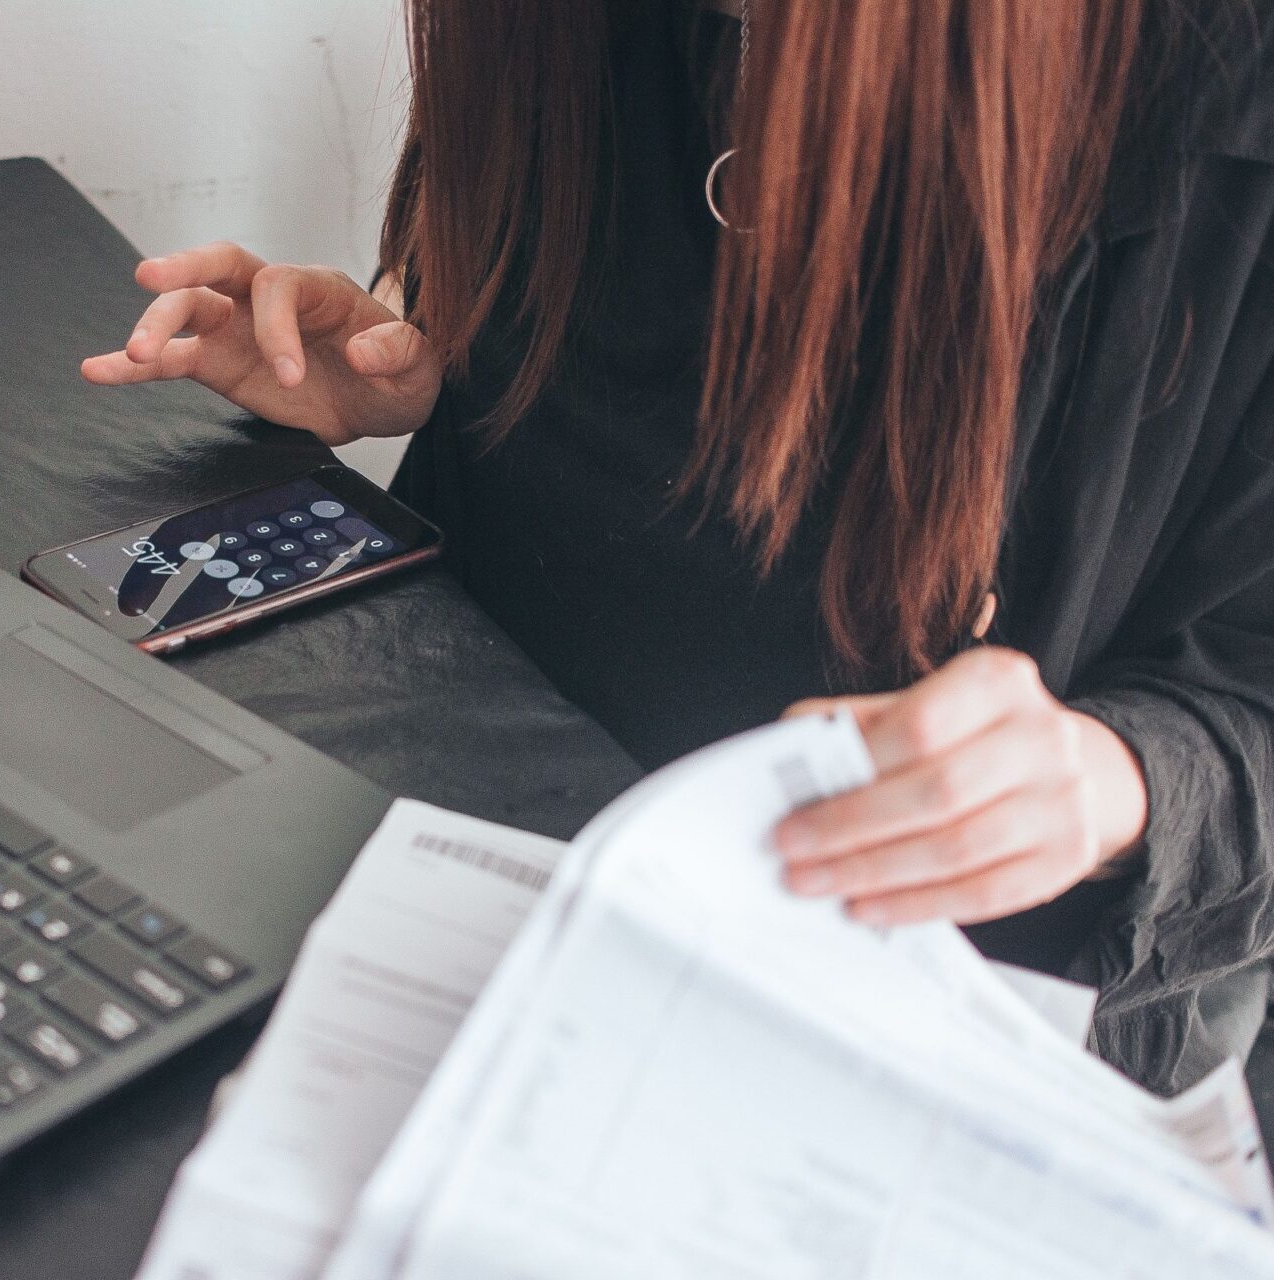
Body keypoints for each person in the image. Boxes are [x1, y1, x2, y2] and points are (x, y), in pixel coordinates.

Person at [83, 0, 1274, 1096]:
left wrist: (1115, 778)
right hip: (475, 890)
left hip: (926, 1028)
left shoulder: (1224, 104)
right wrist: (420, 365)